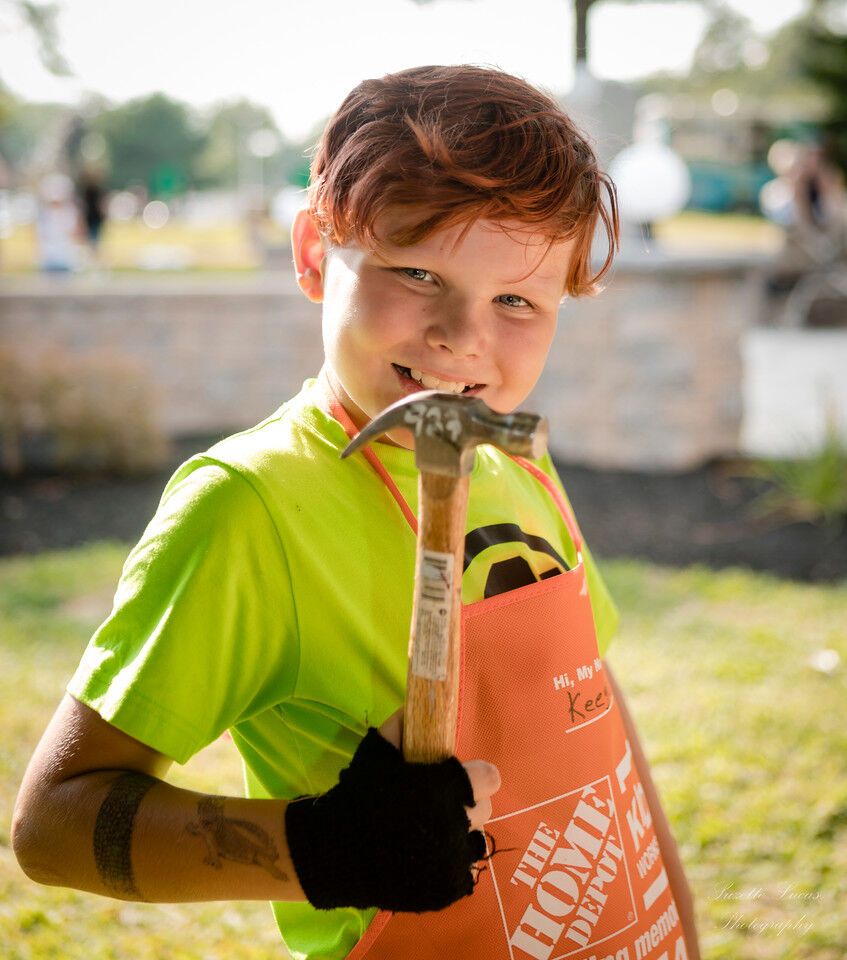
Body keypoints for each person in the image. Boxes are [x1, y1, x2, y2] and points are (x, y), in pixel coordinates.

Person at [13, 66, 700, 960]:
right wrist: (324, 848)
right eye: (417, 271)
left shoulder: (515, 460)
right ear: (312, 253)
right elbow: (52, 827)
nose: (461, 337)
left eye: (515, 300)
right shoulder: (250, 508)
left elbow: (601, 721)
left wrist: (679, 921)